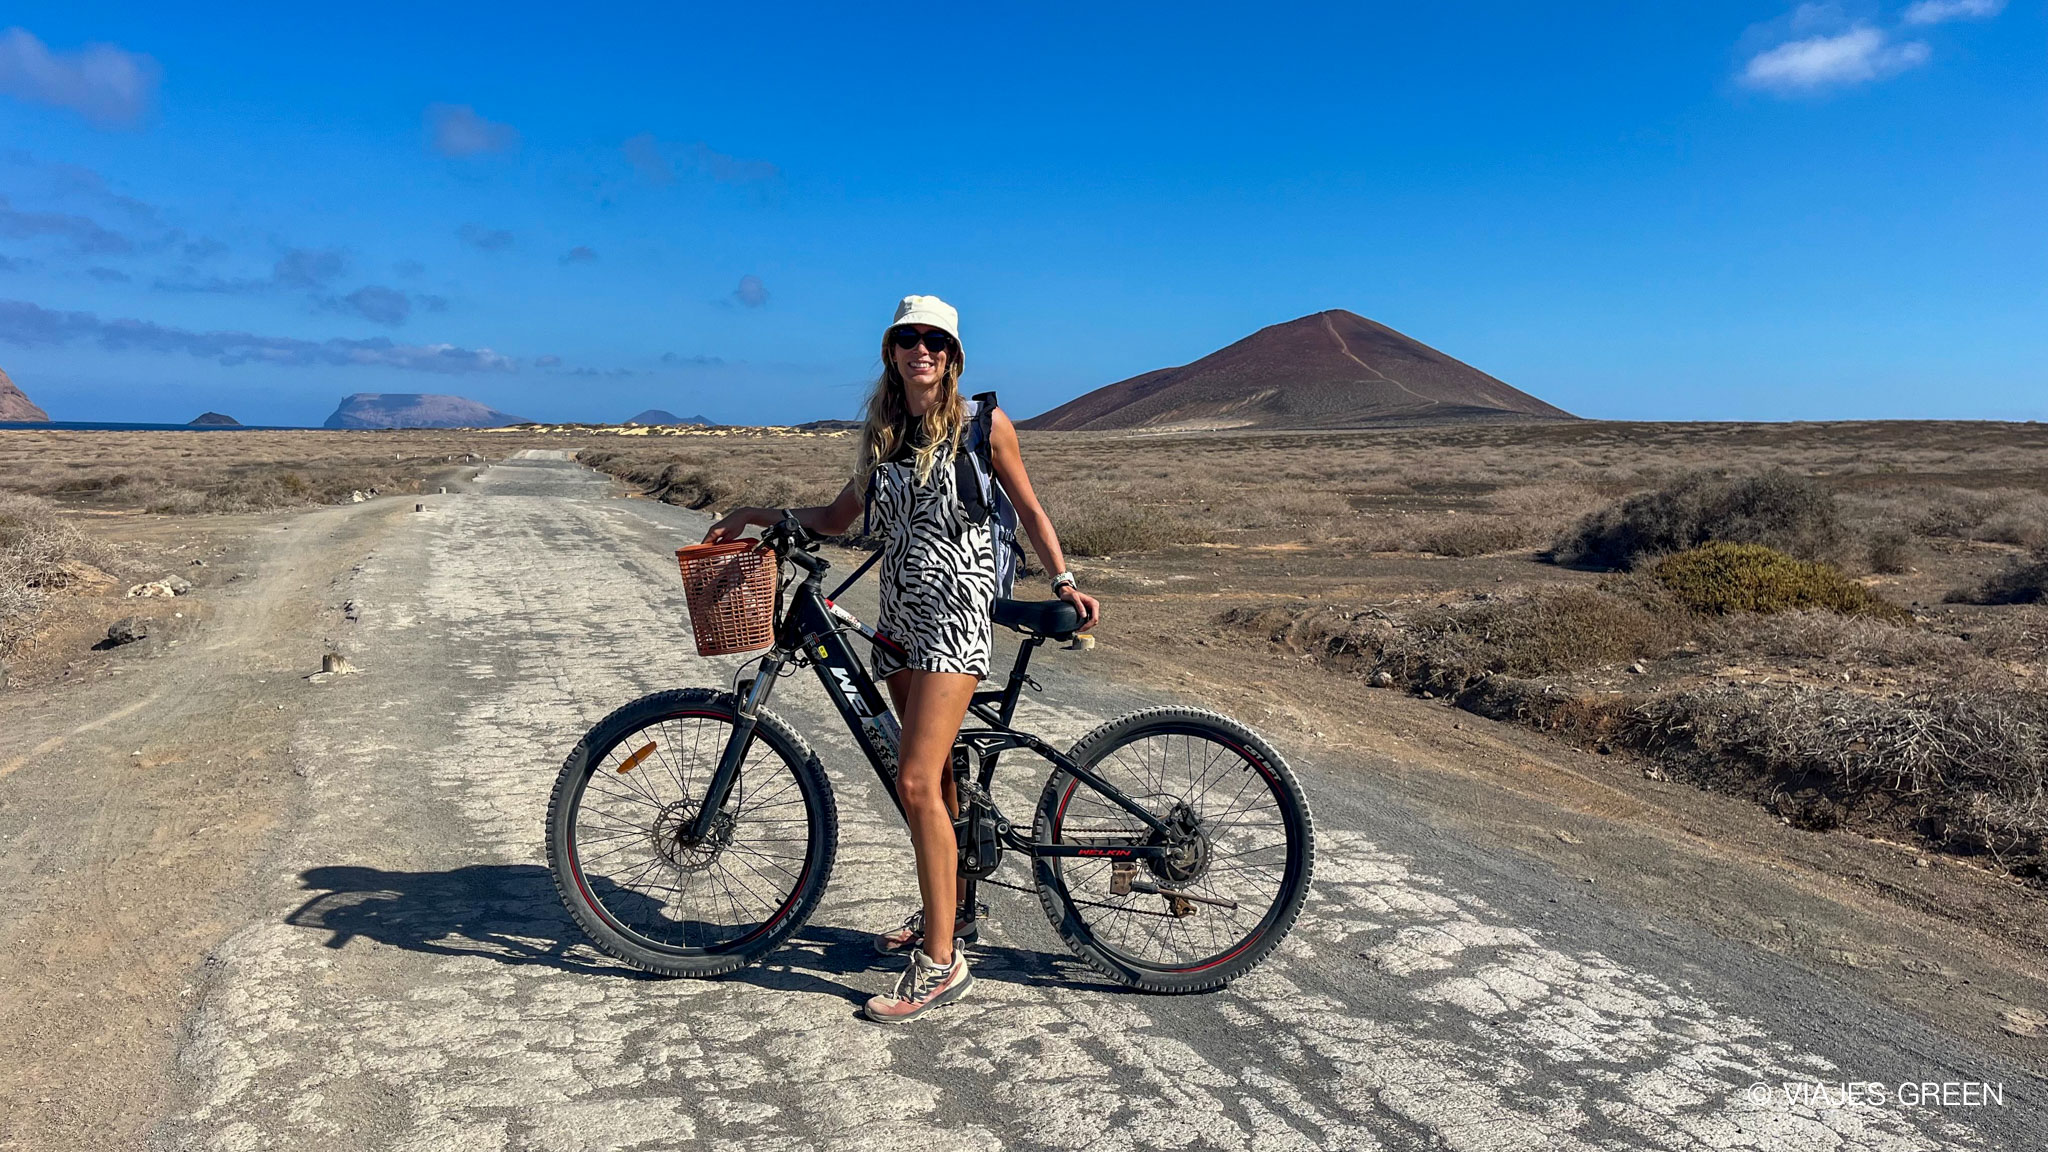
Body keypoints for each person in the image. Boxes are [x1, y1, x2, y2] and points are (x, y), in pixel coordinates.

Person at [702, 294, 1101, 1023]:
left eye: (935, 342)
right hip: (903, 617)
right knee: (936, 781)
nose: (922, 351)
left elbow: (1032, 508)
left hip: (956, 616)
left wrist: (1066, 579)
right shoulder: (885, 433)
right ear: (891, 351)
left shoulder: (985, 425)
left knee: (915, 779)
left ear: (952, 357)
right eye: (908, 339)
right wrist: (764, 514)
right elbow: (837, 518)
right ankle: (950, 911)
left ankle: (942, 965)